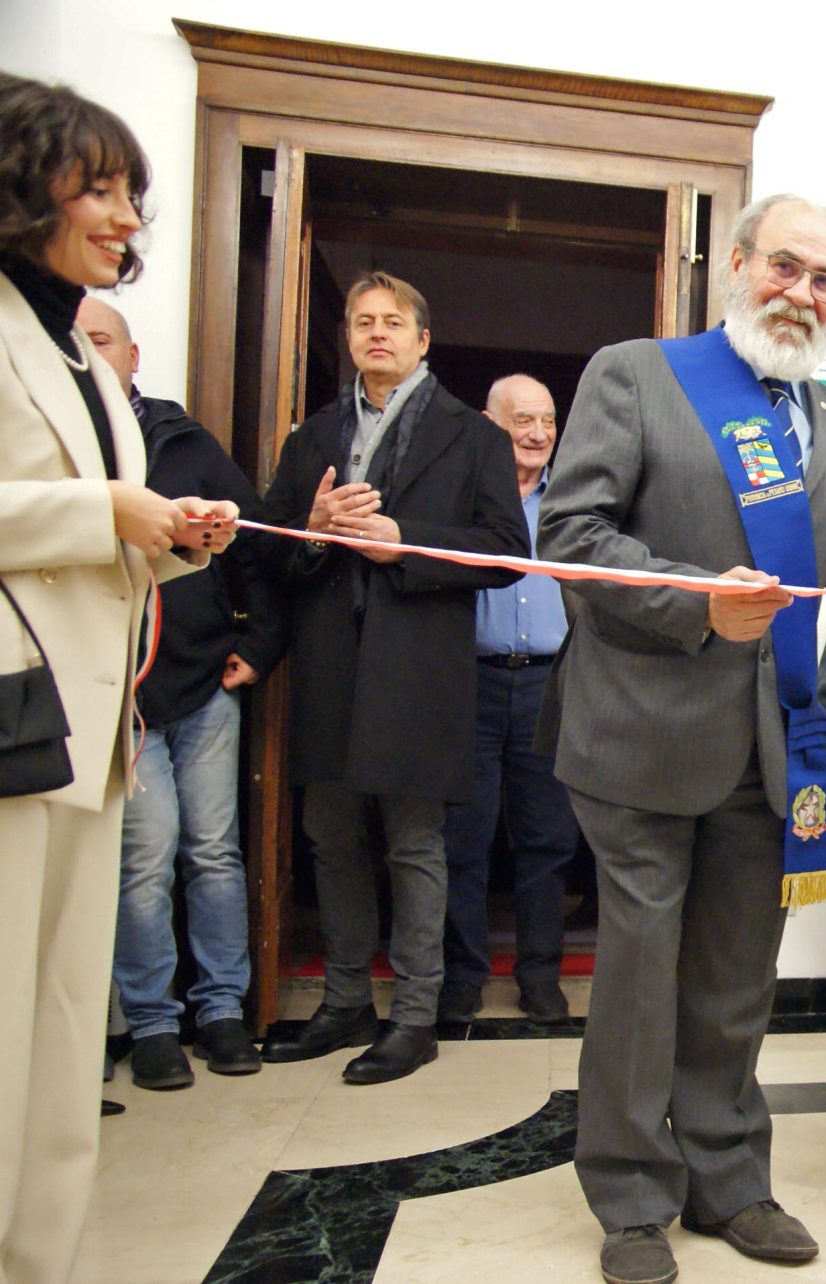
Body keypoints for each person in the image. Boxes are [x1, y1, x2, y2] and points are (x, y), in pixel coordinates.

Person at [535, 193, 826, 1284]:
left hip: (774, 749)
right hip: (642, 738)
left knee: (735, 981)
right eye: (784, 267)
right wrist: (699, 600)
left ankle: (729, 1181)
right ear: (738, 265)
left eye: (825, 279)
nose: (801, 293)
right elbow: (574, 535)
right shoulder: (637, 375)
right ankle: (631, 1199)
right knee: (641, 981)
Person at [0, 73, 238, 1283]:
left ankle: (42, 1256)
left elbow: (102, 531)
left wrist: (171, 538)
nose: (126, 218)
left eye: (131, 195)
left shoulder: (85, 357)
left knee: (54, 1027)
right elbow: (71, 513)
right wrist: (105, 510)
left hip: (94, 730)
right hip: (13, 723)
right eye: (96, 188)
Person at [257, 271, 528, 1085]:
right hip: (329, 665)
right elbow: (266, 551)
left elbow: (505, 554)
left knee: (415, 845)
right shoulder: (312, 435)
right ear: (347, 338)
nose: (377, 333)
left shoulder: (473, 436)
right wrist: (311, 529)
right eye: (363, 322)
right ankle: (345, 1003)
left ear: (422, 340)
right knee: (329, 838)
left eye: (393, 322)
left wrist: (403, 541)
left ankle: (414, 1017)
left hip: (418, 669)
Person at [79, 296, 286, 1091]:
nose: (91, 353)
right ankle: (153, 1025)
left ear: (133, 356)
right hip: (116, 693)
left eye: (104, 340)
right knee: (145, 858)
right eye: (78, 342)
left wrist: (257, 647)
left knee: (214, 853)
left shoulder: (184, 439)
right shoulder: (63, 445)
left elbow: (251, 541)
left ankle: (223, 1011)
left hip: (204, 684)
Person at [438, 374, 578, 1028]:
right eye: (523, 419)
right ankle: (462, 976)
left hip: (549, 685)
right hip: (469, 682)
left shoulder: (572, 501)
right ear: (489, 423)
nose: (538, 433)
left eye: (548, 420)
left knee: (547, 839)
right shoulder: (461, 495)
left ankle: (540, 976)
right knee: (462, 840)